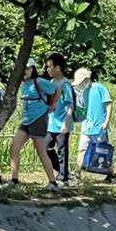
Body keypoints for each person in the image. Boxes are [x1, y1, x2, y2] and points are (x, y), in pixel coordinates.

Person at [9, 58, 58, 187]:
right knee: (14, 148)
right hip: (25, 120)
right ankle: (14, 180)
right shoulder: (23, 83)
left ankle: (52, 182)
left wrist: (52, 105)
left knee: (41, 152)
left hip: (38, 119)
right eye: (23, 69)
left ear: (33, 69)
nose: (25, 71)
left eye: (28, 68)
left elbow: (57, 89)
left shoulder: (39, 81)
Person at [73, 67, 116, 182]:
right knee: (82, 149)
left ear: (87, 79)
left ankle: (111, 173)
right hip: (86, 126)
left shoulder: (100, 88)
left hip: (99, 127)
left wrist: (106, 121)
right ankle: (77, 173)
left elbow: (108, 104)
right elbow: (82, 109)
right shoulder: (83, 92)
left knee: (103, 150)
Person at [45, 53, 74, 186]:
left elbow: (70, 105)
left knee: (62, 151)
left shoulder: (65, 84)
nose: (47, 69)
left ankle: (63, 177)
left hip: (62, 124)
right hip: (50, 124)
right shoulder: (50, 83)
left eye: (50, 66)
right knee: (46, 147)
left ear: (58, 68)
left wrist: (65, 123)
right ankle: (62, 171)